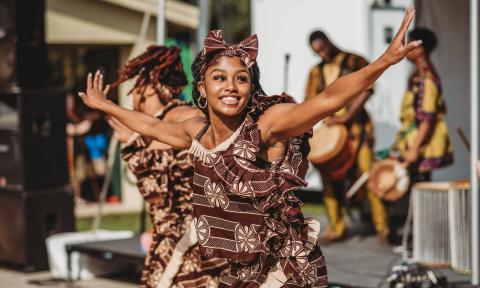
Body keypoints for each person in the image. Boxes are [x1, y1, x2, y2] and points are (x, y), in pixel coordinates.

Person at [79, 7, 418, 287]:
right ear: (202, 86)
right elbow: (152, 125)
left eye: (241, 78)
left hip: (285, 269)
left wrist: (383, 62)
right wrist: (106, 106)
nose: (231, 86)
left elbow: (327, 100)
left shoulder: (267, 125)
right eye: (220, 77)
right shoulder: (195, 132)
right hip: (240, 271)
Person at [108, 45, 228, 287]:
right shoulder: (151, 127)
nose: (131, 96)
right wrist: (134, 141)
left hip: (194, 245)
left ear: (147, 86)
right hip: (165, 244)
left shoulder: (188, 118)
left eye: (134, 88)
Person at [305, 30, 388, 243]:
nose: (322, 54)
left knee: (368, 177)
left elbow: (368, 88)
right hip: (333, 132)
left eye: (323, 48)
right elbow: (311, 101)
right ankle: (336, 227)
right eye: (317, 52)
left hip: (357, 130)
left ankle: (382, 228)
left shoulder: (355, 61)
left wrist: (347, 117)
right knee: (328, 180)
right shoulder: (316, 71)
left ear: (329, 41)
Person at [392, 27, 453, 184]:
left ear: (420, 49)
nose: (406, 47)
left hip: (421, 145)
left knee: (419, 189)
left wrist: (414, 149)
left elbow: (427, 118)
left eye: (410, 43)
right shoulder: (417, 76)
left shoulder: (426, 79)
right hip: (413, 140)